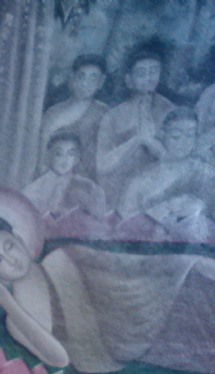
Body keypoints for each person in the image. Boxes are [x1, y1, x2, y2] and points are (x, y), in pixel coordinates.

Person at [0, 212, 215, 374]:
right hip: (127, 353)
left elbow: (127, 267)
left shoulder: (60, 258)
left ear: (20, 240)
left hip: (145, 304)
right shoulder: (15, 322)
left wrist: (184, 263)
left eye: (9, 246)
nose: (11, 260)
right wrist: (5, 300)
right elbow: (59, 359)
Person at [115, 108, 215, 237]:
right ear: (163, 135)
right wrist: (158, 212)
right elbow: (124, 222)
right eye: (176, 136)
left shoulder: (205, 173)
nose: (184, 142)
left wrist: (201, 206)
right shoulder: (143, 179)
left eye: (190, 135)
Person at [96, 45, 174, 208]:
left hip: (157, 191)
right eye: (141, 73)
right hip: (118, 189)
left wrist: (151, 143)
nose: (148, 78)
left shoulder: (168, 109)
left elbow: (176, 160)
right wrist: (136, 140)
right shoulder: (113, 116)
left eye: (153, 71)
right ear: (129, 79)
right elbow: (102, 165)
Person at [37, 54, 109, 178]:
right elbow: (43, 155)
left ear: (101, 82)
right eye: (81, 77)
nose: (85, 84)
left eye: (93, 79)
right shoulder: (54, 113)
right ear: (72, 78)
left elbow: (106, 155)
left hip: (89, 179)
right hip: (54, 178)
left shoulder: (104, 112)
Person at [22, 132, 108, 222]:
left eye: (70, 154)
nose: (65, 159)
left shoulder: (89, 187)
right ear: (49, 155)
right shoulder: (35, 188)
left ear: (76, 158)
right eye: (58, 154)